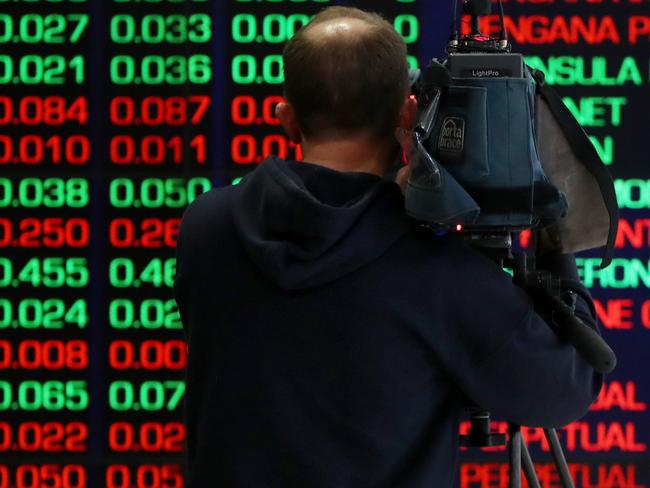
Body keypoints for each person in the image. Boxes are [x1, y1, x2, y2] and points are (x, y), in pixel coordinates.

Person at [174, 6, 602, 487]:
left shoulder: (205, 230)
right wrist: (558, 250)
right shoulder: (438, 269)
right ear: (407, 112)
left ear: (286, 119)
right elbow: (566, 388)